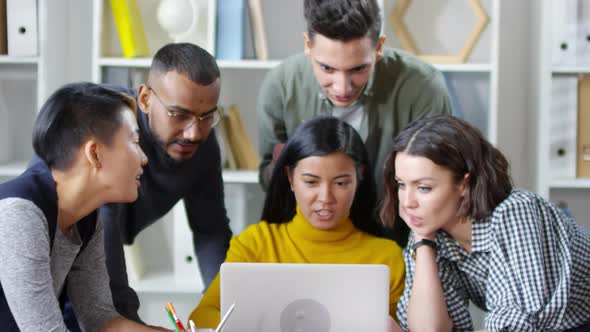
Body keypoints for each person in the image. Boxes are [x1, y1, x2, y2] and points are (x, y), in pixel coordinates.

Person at [53, 43, 232, 329]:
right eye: (179, 114)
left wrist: (223, 309)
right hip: (51, 257)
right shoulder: (106, 126)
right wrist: (131, 322)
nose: (194, 133)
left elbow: (210, 230)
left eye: (207, 116)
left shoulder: (203, 145)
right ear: (145, 98)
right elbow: (105, 228)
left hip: (94, 271)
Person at [257, 0, 452, 247]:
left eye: (358, 69)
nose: (342, 87)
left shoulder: (424, 88)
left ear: (379, 47)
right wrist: (280, 167)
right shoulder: (281, 85)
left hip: (398, 242)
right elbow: (267, 179)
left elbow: (436, 185)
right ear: (308, 45)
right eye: (327, 68)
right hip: (306, 243)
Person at [189, 116, 405, 329]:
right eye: (311, 182)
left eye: (341, 183)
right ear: (290, 178)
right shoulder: (255, 244)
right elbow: (202, 315)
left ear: (360, 177)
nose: (325, 197)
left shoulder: (387, 257)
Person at [380, 115, 590, 332]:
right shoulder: (432, 231)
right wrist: (423, 243)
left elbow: (517, 326)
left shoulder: (515, 211)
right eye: (401, 185)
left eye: (424, 188)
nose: (407, 202)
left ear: (464, 183)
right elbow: (429, 329)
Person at [0, 82, 168, 331]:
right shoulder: (19, 214)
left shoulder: (87, 219)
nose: (144, 158)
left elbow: (99, 318)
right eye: (134, 142)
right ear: (95, 154)